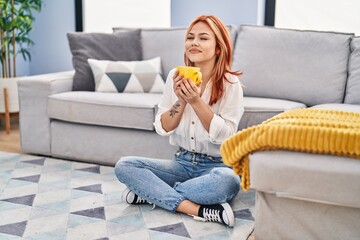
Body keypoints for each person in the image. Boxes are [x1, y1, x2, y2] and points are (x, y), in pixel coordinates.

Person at [114, 15, 244, 227]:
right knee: (125, 166)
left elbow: (227, 135)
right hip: (181, 163)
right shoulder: (176, 75)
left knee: (229, 182)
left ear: (218, 48)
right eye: (190, 37)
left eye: (203, 38)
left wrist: (196, 101)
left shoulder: (230, 83)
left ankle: (150, 193)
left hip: (216, 166)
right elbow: (163, 127)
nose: (194, 42)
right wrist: (182, 101)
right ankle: (197, 209)